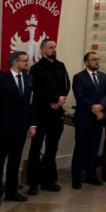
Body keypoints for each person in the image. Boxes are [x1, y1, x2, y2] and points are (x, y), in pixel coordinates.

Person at [26, 38, 70, 195]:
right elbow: (36, 90)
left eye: (55, 46)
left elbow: (66, 85)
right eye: (51, 47)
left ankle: (49, 181)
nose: (54, 49)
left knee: (52, 148)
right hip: (41, 113)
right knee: (36, 148)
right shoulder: (36, 68)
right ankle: (33, 183)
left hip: (56, 114)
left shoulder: (61, 66)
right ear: (43, 50)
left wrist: (60, 100)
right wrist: (53, 100)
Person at [70, 51, 106, 189]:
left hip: (98, 119)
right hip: (84, 118)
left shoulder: (103, 76)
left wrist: (101, 106)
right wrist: (94, 109)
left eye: (98, 59)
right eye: (93, 59)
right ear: (86, 62)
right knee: (80, 147)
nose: (97, 61)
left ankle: (91, 175)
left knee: (94, 147)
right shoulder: (79, 77)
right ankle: (76, 177)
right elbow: (80, 96)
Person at [0, 52, 36, 203]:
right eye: (24, 61)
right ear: (15, 62)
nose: (27, 63)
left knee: (15, 162)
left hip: (21, 128)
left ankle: (11, 192)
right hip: (3, 128)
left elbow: (31, 104)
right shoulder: (2, 79)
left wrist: (32, 125)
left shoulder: (29, 79)